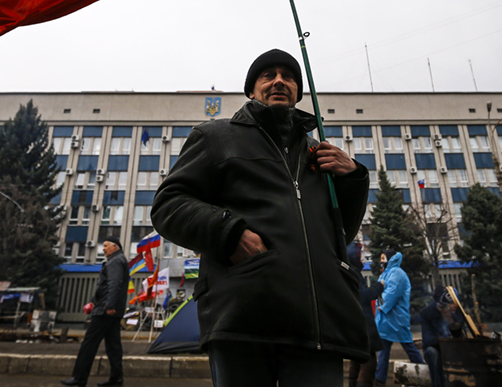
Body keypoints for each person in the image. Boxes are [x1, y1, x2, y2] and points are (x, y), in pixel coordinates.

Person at [151, 49, 371, 387]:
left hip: (318, 328)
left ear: (298, 91)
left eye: (289, 76)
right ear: (252, 91)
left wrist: (353, 179)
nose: (280, 81)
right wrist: (230, 233)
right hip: (245, 320)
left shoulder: (320, 153)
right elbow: (168, 204)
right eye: (268, 76)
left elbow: (341, 235)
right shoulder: (216, 137)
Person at [61, 236, 129, 387]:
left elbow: (114, 284)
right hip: (110, 309)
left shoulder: (115, 261)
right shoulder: (118, 260)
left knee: (89, 343)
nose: (103, 248)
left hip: (105, 310)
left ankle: (79, 378)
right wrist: (93, 301)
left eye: (105, 246)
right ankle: (116, 380)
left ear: (114, 247)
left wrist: (108, 305)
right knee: (113, 346)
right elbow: (105, 287)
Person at [374, 249, 423, 386]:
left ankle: (423, 370)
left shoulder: (397, 274)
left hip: (396, 319)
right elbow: (380, 292)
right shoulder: (387, 273)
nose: (381, 261)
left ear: (390, 259)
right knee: (385, 351)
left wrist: (380, 305)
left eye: (383, 258)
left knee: (408, 346)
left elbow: (391, 293)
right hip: (387, 319)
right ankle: (380, 379)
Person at [347, 242, 384, 387]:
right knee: (369, 363)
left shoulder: (346, 271)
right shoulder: (355, 273)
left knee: (356, 360)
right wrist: (378, 286)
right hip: (363, 323)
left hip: (354, 323)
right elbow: (363, 295)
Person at [419, 285, 465, 387]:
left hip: (455, 348)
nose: (454, 306)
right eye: (451, 303)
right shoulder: (427, 313)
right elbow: (427, 340)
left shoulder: (457, 313)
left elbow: (463, 333)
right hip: (437, 348)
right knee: (432, 352)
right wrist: (444, 341)